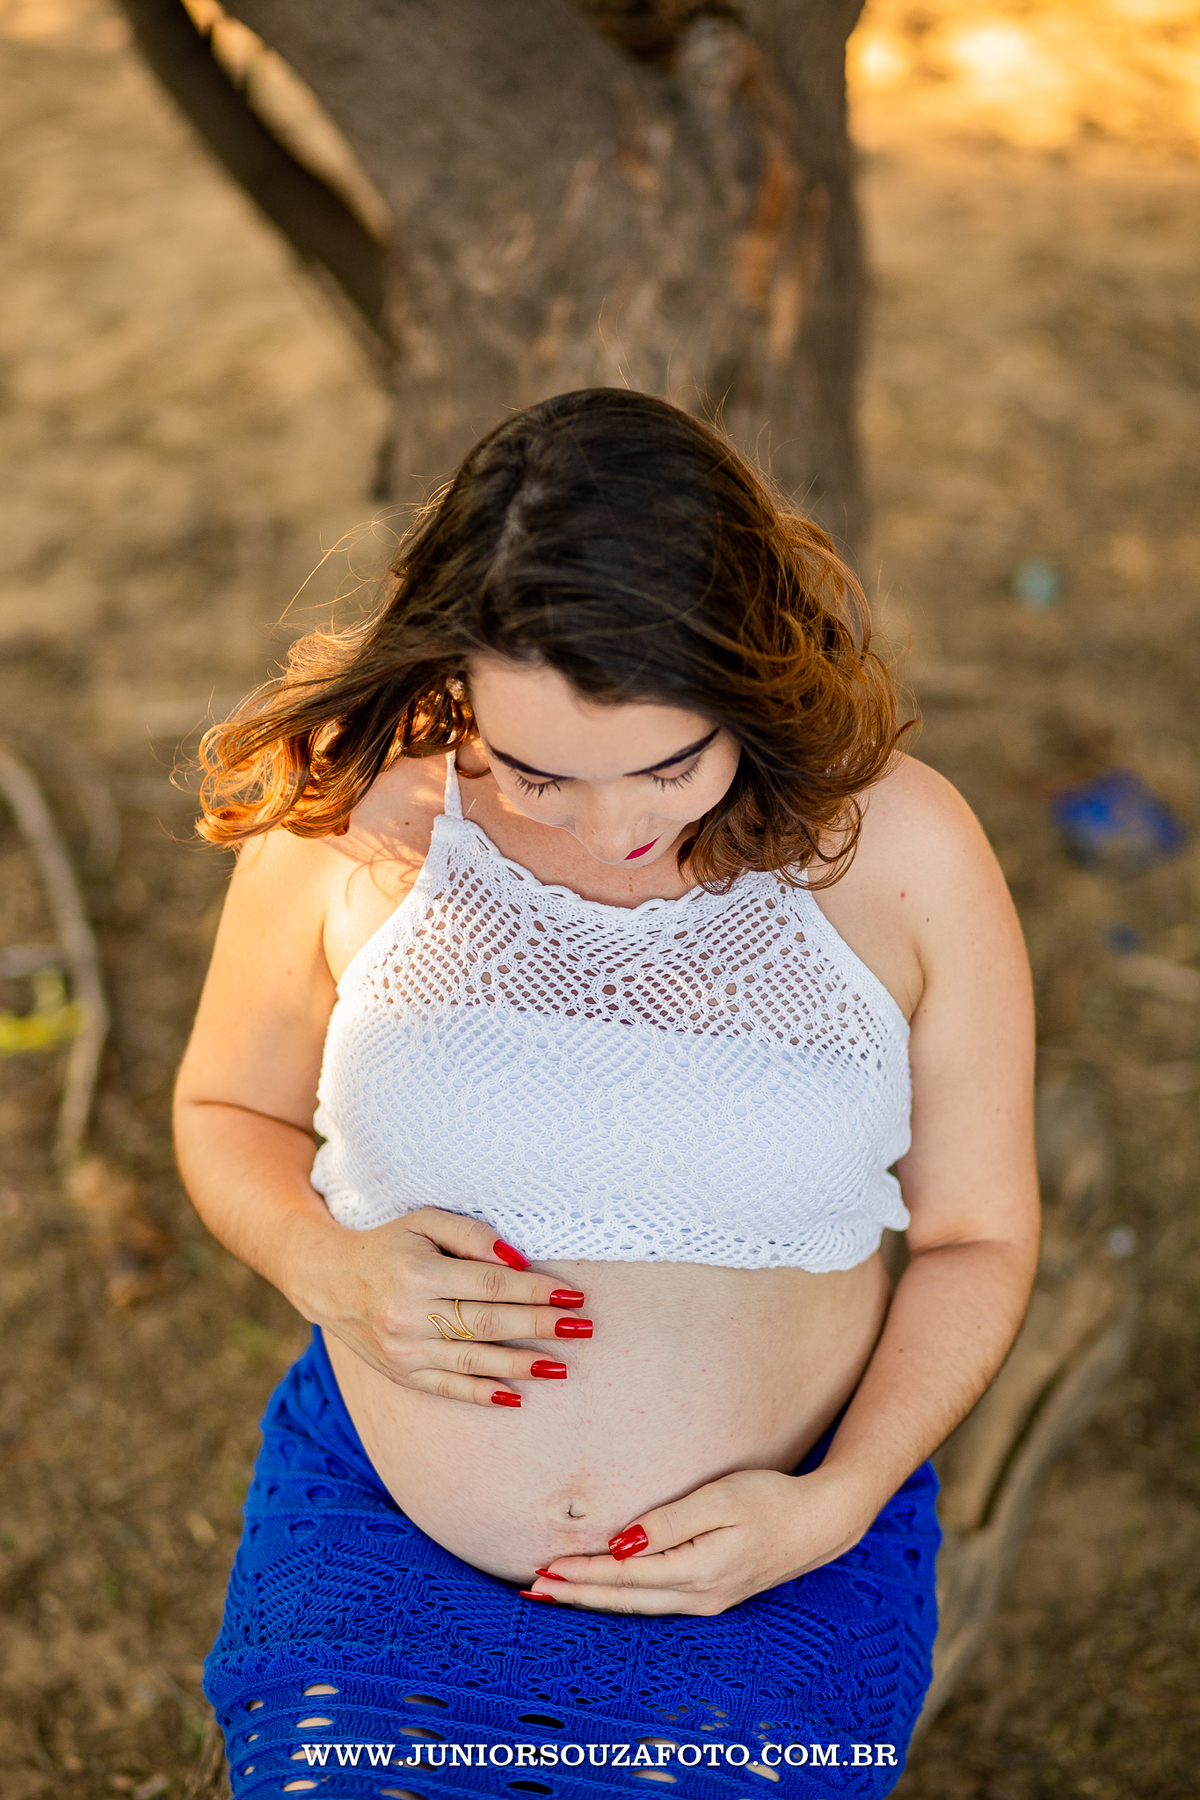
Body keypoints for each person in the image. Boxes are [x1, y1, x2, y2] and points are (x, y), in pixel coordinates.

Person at [175, 388, 1038, 1798]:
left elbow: (978, 1236)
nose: (615, 826)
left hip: (767, 1575)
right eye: (537, 773)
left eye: (669, 764)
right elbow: (226, 1111)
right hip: (384, 1555)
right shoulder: (360, 819)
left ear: (749, 676)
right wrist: (325, 1266)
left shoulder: (901, 852)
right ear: (454, 673)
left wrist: (833, 1505)